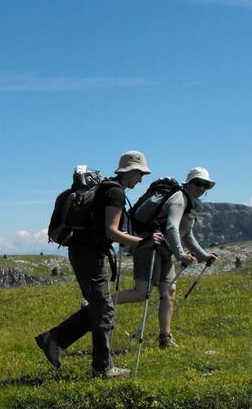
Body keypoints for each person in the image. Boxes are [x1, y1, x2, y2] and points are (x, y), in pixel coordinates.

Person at [35, 151, 163, 378]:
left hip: (83, 252)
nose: (141, 179)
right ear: (131, 171)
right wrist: (142, 242)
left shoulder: (107, 188)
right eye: (140, 174)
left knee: (99, 306)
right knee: (104, 308)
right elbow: (111, 232)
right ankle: (102, 368)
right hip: (90, 255)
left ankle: (54, 339)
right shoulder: (115, 192)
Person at [115, 167, 218, 348]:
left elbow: (186, 234)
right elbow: (171, 227)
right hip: (149, 246)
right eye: (198, 183)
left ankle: (165, 337)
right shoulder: (180, 199)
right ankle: (99, 301)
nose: (201, 188)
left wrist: (203, 255)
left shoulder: (190, 203)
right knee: (140, 293)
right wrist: (181, 255)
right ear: (189, 183)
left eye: (205, 185)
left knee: (169, 292)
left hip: (165, 250)